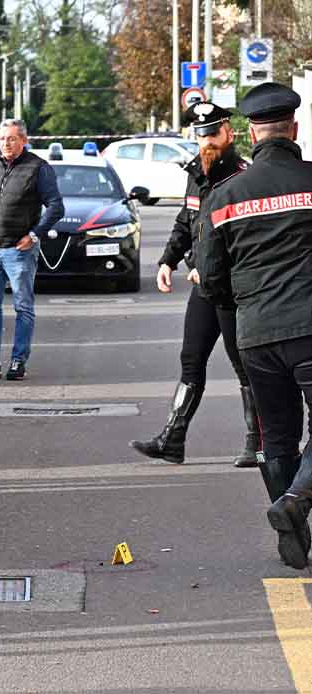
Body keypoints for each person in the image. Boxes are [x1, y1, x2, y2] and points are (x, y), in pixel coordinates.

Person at [198, 82, 312, 570]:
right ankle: (296, 502)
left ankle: (296, 532)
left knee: (277, 439)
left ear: (250, 132)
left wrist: (243, 307)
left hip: (256, 334)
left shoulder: (225, 196)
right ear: (295, 128)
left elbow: (211, 277)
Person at [129, 102, 256, 467]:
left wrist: (210, 266)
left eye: (213, 134)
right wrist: (168, 260)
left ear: (229, 133)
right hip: (204, 287)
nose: (207, 142)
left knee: (244, 365)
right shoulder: (196, 174)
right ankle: (173, 439)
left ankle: (255, 442)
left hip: (233, 288)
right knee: (191, 360)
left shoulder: (244, 177)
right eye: (201, 136)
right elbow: (186, 222)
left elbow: (247, 238)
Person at [0, 118, 64, 381]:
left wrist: (34, 235)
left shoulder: (38, 168)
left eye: (12, 138)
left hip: (19, 250)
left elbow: (56, 206)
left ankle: (18, 361)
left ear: (24, 141)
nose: (6, 143)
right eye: (2, 138)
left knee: (22, 307)